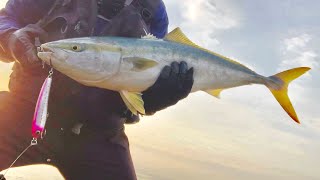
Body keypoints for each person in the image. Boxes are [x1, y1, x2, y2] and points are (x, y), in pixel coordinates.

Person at [0, 0, 194, 179]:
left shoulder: (153, 10)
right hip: (19, 112)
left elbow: (152, 68)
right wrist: (10, 38)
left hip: (99, 136)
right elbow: (6, 18)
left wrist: (153, 98)